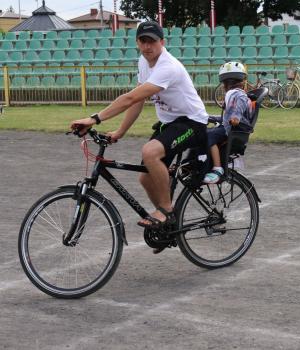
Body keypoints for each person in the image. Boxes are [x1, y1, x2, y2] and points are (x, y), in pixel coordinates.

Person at [69, 21, 209, 247]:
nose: (147, 46)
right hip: (170, 124)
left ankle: (166, 209)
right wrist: (120, 131)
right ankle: (167, 225)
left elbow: (130, 98)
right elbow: (139, 99)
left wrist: (94, 118)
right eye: (143, 41)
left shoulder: (168, 67)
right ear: (137, 43)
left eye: (152, 41)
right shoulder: (144, 62)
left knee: (150, 152)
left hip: (192, 123)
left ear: (162, 42)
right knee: (145, 176)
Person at [203, 61, 253, 184]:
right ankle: (202, 164)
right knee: (201, 133)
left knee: (208, 136)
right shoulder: (234, 93)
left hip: (232, 129)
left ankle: (217, 169)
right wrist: (208, 117)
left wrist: (236, 117)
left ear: (225, 83)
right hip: (230, 127)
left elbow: (238, 109)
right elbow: (226, 117)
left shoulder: (238, 94)